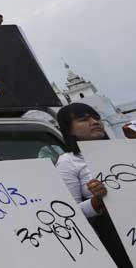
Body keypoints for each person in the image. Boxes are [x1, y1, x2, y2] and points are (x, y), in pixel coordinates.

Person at [56, 103, 132, 268]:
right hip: (119, 237)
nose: (94, 122)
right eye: (84, 119)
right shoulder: (68, 162)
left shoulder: (125, 150)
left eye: (96, 117)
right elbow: (69, 214)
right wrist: (96, 202)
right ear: (70, 130)